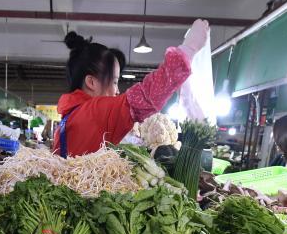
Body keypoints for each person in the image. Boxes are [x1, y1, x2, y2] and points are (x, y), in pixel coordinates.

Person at [54, 19, 209, 158]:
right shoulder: (93, 112)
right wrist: (187, 50)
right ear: (91, 82)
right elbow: (146, 96)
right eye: (114, 82)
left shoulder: (69, 117)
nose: (117, 91)